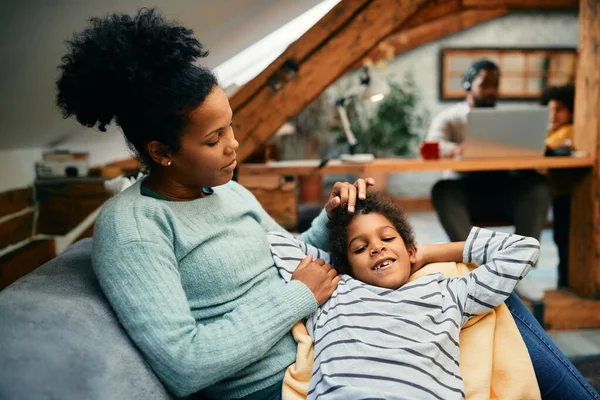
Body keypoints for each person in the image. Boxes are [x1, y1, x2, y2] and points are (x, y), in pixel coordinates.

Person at [55, 9, 599, 400]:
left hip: (331, 325)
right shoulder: (134, 226)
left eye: (232, 128)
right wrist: (297, 297)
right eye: (214, 138)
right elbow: (184, 364)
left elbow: (287, 252)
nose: (234, 146)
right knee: (484, 307)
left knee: (488, 297)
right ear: (161, 152)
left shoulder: (222, 189)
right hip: (290, 374)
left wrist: (331, 221)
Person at [269, 193, 541, 398]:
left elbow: (522, 249)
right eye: (360, 248)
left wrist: (425, 252)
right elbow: (275, 241)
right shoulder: (333, 289)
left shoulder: (446, 292)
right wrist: (332, 213)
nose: (376, 248)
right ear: (346, 266)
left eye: (387, 239)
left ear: (409, 248)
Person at [426, 59, 551, 300]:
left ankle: (518, 270)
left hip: (503, 190)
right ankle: (480, 269)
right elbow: (431, 145)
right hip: (466, 192)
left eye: (496, 85)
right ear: (468, 84)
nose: (492, 90)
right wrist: (455, 149)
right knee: (442, 189)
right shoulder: (450, 118)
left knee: (537, 186)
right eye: (485, 84)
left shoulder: (509, 120)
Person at [540, 84, 576, 288]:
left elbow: (546, 148)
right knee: (561, 239)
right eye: (549, 109)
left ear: (571, 111)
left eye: (559, 109)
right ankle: (564, 281)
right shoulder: (551, 133)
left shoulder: (567, 133)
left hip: (568, 195)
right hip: (560, 195)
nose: (553, 115)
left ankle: (566, 283)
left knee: (564, 239)